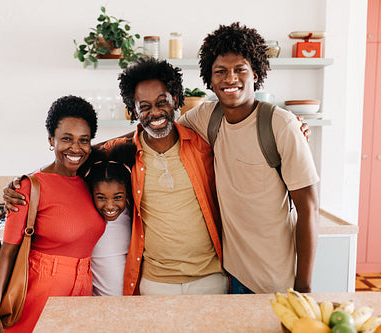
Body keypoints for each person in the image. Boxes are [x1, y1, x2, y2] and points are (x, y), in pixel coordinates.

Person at [176, 22, 320, 294]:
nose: (230, 78)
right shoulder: (207, 117)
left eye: (240, 69)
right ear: (210, 78)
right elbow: (158, 134)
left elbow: (309, 209)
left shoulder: (281, 125)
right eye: (220, 71)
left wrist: (304, 286)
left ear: (256, 74)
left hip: (277, 281)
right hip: (229, 273)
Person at [103, 57, 228, 296]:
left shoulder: (202, 145)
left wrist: (288, 126)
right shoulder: (125, 153)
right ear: (134, 111)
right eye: (145, 106)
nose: (155, 112)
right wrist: (30, 180)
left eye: (162, 102)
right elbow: (79, 153)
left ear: (176, 100)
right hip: (155, 282)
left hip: (210, 277)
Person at [0, 96, 106, 333]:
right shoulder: (30, 187)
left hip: (83, 293)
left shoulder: (91, 181)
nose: (75, 148)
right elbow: (7, 254)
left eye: (84, 140)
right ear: (51, 140)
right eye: (66, 139)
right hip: (38, 295)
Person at [84, 144, 136, 296]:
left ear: (127, 194)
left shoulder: (130, 212)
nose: (110, 206)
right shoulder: (87, 214)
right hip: (99, 299)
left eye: (117, 197)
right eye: (101, 198)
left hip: (132, 295)